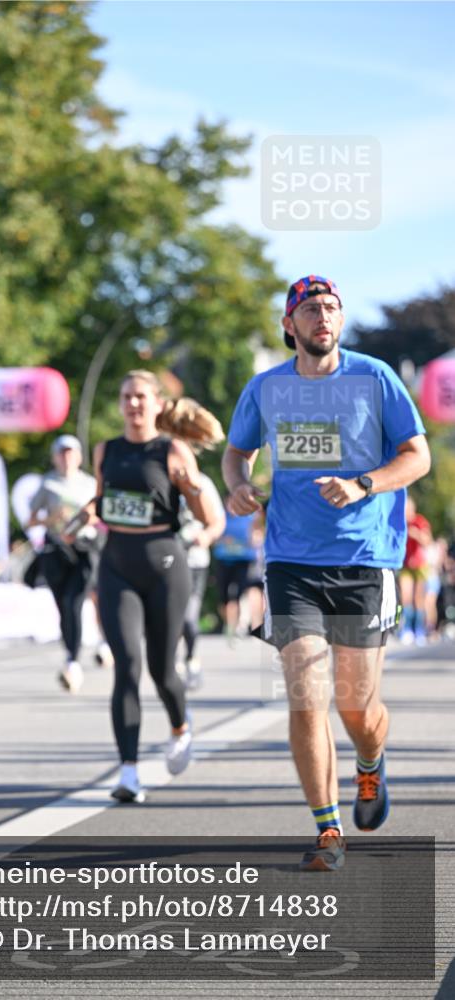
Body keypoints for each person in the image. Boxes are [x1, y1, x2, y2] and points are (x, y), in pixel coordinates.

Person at [223, 275, 430, 871]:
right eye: (310, 308)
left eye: (332, 308)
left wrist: (365, 482)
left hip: (365, 559)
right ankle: (328, 831)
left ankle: (370, 765)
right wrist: (238, 486)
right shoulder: (266, 388)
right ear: (289, 324)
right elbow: (238, 452)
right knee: (307, 697)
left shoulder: (375, 378)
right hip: (292, 560)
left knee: (357, 707)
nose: (323, 316)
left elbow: (418, 455)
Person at [65, 370, 224, 802]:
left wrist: (199, 521)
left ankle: (180, 726)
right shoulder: (106, 450)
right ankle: (129, 773)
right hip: (117, 566)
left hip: (165, 567)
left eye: (140, 397)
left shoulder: (172, 450)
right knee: (127, 667)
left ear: (157, 404)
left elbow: (212, 517)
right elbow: (103, 499)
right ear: (120, 404)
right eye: (126, 396)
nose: (133, 404)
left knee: (162, 668)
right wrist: (80, 519)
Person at [27, 434, 101, 692]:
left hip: (84, 548)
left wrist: (83, 521)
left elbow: (101, 517)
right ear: (55, 457)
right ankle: (71, 655)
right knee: (64, 606)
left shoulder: (91, 484)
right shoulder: (47, 484)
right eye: (62, 453)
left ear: (79, 456)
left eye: (71, 452)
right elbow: (31, 521)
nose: (67, 457)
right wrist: (52, 519)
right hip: (57, 551)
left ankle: (73, 662)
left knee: (75, 602)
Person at [177, 473, 226, 689]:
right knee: (166, 617)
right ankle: (170, 664)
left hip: (194, 562)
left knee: (188, 617)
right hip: (164, 561)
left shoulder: (203, 482)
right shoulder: (160, 474)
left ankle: (191, 659)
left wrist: (206, 536)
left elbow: (218, 521)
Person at [212, 506, 265, 641]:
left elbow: (258, 533)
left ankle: (253, 626)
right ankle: (232, 626)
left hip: (246, 561)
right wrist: (223, 540)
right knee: (225, 597)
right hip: (224, 561)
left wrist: (254, 539)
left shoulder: (251, 516)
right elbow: (213, 535)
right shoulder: (221, 516)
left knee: (249, 592)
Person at [398, 495, 433, 645]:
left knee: (419, 600)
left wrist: (416, 534)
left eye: (408, 508)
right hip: (405, 565)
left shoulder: (420, 521)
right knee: (405, 598)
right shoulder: (400, 522)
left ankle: (419, 630)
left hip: (420, 565)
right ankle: (406, 629)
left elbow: (428, 542)